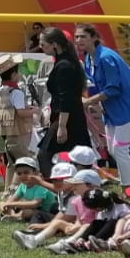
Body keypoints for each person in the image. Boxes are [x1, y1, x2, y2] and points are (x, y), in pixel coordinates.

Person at [74, 24, 130, 184]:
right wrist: (93, 103)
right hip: (111, 109)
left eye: (83, 36)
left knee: (119, 150)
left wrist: (89, 102)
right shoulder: (88, 59)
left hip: (127, 107)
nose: (78, 40)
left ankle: (127, 187)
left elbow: (113, 88)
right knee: (112, 149)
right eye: (77, 37)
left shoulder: (106, 57)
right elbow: (93, 85)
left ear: (94, 38)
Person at [38, 27, 91, 169]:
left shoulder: (65, 66)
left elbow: (65, 98)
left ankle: (68, 187)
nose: (40, 47)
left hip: (68, 120)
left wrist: (62, 126)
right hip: (68, 117)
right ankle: (69, 187)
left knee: (45, 156)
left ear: (54, 44)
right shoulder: (64, 62)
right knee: (74, 157)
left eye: (43, 44)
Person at [0, 55, 39, 189]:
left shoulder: (0, 91)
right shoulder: (16, 92)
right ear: (14, 75)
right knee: (27, 162)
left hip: (8, 134)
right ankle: (24, 190)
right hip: (19, 133)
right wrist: (35, 111)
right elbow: (20, 112)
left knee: (11, 165)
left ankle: (8, 191)